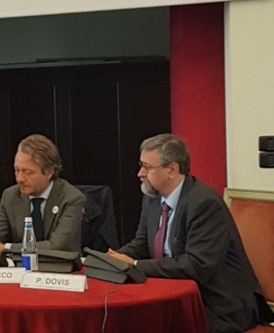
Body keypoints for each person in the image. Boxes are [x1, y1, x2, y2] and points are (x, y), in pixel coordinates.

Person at [108, 134, 274, 333]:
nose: (140, 173)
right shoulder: (152, 198)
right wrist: (111, 260)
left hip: (217, 306)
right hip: (176, 296)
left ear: (172, 170)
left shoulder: (204, 203)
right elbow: (141, 244)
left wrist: (134, 265)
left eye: (147, 167)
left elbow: (197, 265)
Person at [0, 133, 85, 253]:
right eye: (17, 170)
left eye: (28, 172)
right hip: (19, 264)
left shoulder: (72, 198)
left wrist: (6, 248)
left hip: (60, 264)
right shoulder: (10, 196)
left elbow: (57, 246)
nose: (20, 179)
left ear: (49, 172)